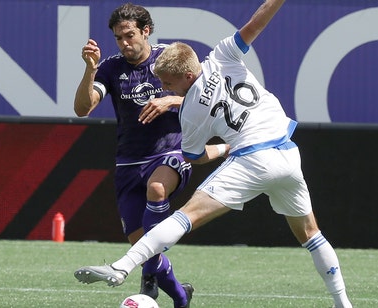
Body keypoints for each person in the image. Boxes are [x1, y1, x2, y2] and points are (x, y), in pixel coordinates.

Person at [74, 0, 352, 307]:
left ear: (187, 77)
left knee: (184, 217)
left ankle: (121, 267)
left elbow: (193, 156)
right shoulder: (222, 55)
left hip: (251, 158)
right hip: (287, 152)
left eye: (168, 84)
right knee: (312, 235)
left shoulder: (190, 111)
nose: (166, 89)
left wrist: (221, 148)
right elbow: (256, 23)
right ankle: (343, 303)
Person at [73, 3, 193, 308]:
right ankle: (181, 298)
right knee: (143, 246)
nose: (125, 43)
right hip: (128, 162)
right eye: (118, 38)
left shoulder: (169, 57)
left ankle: (145, 274)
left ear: (146, 31)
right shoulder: (111, 68)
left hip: (171, 152)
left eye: (130, 35)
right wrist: (90, 69)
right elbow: (83, 109)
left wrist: (171, 101)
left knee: (156, 188)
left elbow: (203, 94)